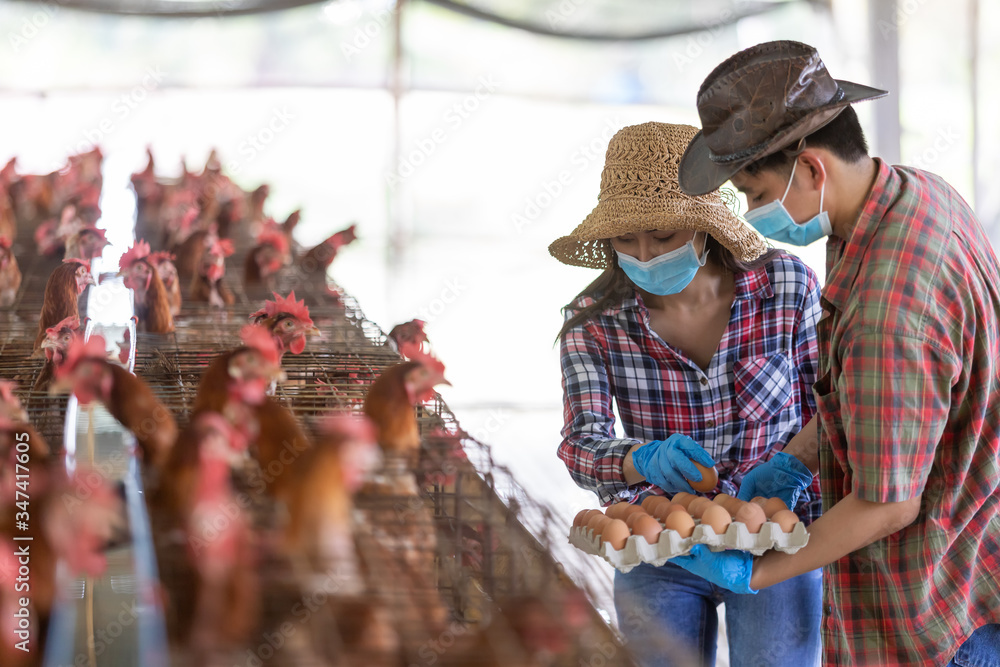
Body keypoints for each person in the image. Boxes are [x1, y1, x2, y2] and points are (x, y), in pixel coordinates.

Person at [674, 40, 1000, 666]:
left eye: (753, 190)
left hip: (935, 611)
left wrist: (759, 575)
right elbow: (883, 394)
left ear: (813, 169)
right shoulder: (911, 195)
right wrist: (797, 460)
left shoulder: (891, 305)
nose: (751, 212)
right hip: (972, 549)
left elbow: (888, 503)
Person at [551, 121, 824, 667]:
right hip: (659, 553)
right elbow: (580, 444)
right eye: (626, 239)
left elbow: (834, 408)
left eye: (664, 235)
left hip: (776, 536)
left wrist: (791, 473)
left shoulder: (786, 288)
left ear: (705, 227)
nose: (646, 254)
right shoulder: (593, 323)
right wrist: (638, 459)